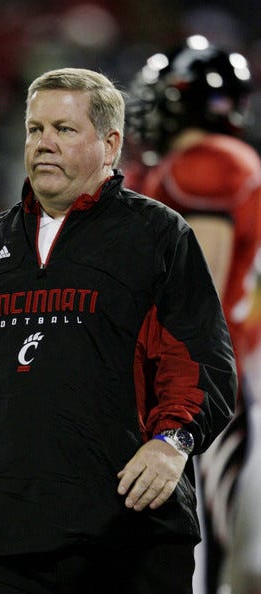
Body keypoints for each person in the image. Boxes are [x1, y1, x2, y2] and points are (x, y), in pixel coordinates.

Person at [0, 66, 237, 594]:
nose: (44, 143)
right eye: (35, 129)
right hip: (3, 535)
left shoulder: (156, 232)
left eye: (64, 129)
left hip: (126, 531)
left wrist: (172, 443)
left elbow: (201, 361)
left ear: (110, 144)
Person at [124, 35, 261, 594]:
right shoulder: (193, 163)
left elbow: (197, 296)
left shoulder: (208, 163)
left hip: (201, 389)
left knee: (200, 562)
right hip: (206, 381)